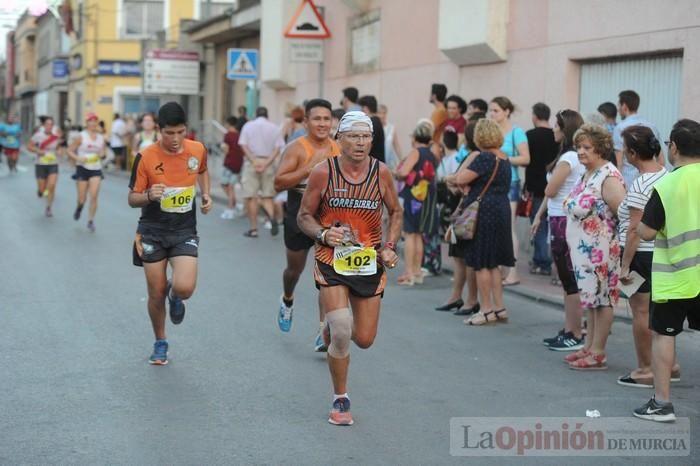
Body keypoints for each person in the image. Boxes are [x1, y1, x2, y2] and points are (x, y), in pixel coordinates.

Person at [297, 110, 402, 426]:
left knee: (365, 339)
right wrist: (324, 234)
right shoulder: (322, 172)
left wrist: (390, 246)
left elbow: (395, 212)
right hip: (331, 260)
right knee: (343, 330)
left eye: (366, 136)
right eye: (353, 136)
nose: (360, 143)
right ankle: (340, 399)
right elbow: (304, 216)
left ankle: (329, 326)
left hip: (368, 263)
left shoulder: (381, 173)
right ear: (338, 139)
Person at [128, 101, 212, 366]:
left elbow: (202, 170)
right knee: (156, 292)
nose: (175, 139)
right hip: (152, 231)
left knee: (184, 287)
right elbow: (132, 198)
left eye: (180, 132)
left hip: (184, 229)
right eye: (169, 133)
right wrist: (148, 195)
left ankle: (176, 298)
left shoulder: (197, 149)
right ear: (159, 130)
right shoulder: (146, 155)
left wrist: (206, 194)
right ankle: (160, 341)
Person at [632, 119, 700, 422]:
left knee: (664, 335)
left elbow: (646, 232)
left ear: (673, 146)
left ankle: (662, 404)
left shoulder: (667, 185)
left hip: (676, 277)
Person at [273, 99, 340, 349]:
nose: (322, 123)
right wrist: (308, 170)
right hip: (299, 217)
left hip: (329, 219)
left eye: (326, 119)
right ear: (306, 122)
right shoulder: (296, 149)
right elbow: (278, 183)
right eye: (317, 119)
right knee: (294, 271)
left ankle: (324, 330)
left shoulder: (338, 148)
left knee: (326, 275)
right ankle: (287, 298)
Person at [563, 123, 626, 370]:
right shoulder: (587, 173)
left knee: (604, 300)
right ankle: (589, 345)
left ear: (600, 148)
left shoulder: (608, 176)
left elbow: (623, 212)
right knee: (591, 298)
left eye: (586, 147)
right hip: (585, 253)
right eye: (578, 146)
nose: (581, 152)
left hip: (603, 251)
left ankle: (599, 351)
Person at [617, 125, 675, 387]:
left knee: (640, 312)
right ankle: (668, 364)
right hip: (662, 253)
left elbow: (634, 230)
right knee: (658, 313)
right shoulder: (666, 174)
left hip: (640, 254)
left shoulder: (641, 183)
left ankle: (645, 368)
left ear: (631, 153)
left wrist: (624, 264)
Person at [451, 119, 515, 325]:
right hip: (501, 209)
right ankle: (499, 307)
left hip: (483, 212)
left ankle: (485, 310)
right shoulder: (504, 158)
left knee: (481, 263)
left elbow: (460, 179)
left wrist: (452, 179)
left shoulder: (484, 158)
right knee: (493, 263)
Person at [532, 110, 585, 351]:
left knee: (569, 277)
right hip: (558, 217)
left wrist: (543, 207)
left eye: (557, 126)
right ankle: (569, 329)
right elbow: (549, 194)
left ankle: (575, 332)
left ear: (565, 130)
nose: (553, 130)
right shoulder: (568, 157)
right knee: (565, 278)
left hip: (564, 220)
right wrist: (539, 214)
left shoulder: (570, 158)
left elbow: (551, 190)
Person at [489, 96, 531, 286]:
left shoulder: (516, 132)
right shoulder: (492, 131)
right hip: (493, 182)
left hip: (510, 182)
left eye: (496, 110)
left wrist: (504, 158)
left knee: (509, 226)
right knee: (496, 226)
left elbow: (525, 158)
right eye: (491, 110)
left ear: (506, 111)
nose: (492, 114)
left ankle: (513, 272)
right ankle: (498, 268)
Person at [441, 123, 480, 316]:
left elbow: (455, 179)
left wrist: (451, 179)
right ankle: (457, 296)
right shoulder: (472, 154)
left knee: (465, 257)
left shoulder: (474, 155)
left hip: (465, 208)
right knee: (459, 257)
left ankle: (470, 299)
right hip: (462, 205)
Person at [394, 119, 438, 286]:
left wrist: (396, 173)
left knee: (410, 234)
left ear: (415, 138)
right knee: (419, 235)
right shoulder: (431, 154)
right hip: (427, 196)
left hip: (413, 196)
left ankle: (409, 273)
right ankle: (418, 272)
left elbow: (404, 173)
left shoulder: (415, 152)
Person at [239, 107, 284, 238]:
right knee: (267, 196)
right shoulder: (275, 128)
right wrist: (267, 162)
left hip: (251, 162)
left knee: (251, 197)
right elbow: (278, 147)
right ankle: (271, 218)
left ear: (255, 114)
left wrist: (253, 160)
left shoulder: (248, 126)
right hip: (268, 163)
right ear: (267, 115)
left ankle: (253, 229)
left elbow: (243, 144)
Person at [525, 103, 558, 276]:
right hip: (554, 184)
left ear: (535, 116)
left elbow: (528, 163)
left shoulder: (529, 135)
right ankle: (548, 260)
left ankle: (541, 261)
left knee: (537, 223)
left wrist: (526, 186)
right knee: (552, 226)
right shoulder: (556, 136)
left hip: (536, 186)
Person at [613, 90, 665, 187]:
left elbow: (619, 163)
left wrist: (619, 185)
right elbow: (661, 160)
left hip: (628, 182)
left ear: (624, 106)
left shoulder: (620, 128)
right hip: (651, 181)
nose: (618, 109)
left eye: (619, 106)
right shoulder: (651, 126)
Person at [67, 113, 107, 231]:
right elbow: (69, 151)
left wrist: (102, 155)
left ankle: (91, 220)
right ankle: (79, 207)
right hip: (82, 168)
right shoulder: (81, 136)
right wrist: (78, 158)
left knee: (94, 196)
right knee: (82, 199)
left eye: (95, 121)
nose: (93, 123)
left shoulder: (101, 137)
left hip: (96, 168)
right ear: (87, 123)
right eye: (91, 121)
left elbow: (103, 153)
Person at [27, 116, 61, 217]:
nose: (49, 126)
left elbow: (59, 148)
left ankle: (49, 207)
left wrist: (59, 152)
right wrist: (38, 151)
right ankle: (40, 191)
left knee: (51, 186)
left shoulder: (56, 136)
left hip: (53, 164)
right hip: (40, 164)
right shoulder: (38, 135)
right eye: (47, 124)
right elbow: (29, 146)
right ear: (44, 125)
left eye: (51, 125)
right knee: (42, 189)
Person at [219, 116, 244, 219]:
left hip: (229, 163)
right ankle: (234, 204)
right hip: (238, 164)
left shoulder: (228, 135)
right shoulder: (240, 135)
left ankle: (231, 208)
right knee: (231, 186)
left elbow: (226, 150)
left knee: (226, 185)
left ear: (229, 123)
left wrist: (222, 148)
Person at [358, 95, 386, 163]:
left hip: (373, 165)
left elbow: (368, 145)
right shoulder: (376, 121)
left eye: (361, 109)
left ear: (365, 108)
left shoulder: (372, 123)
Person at [377, 104, 403, 170]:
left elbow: (396, 145)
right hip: (377, 161)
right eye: (380, 113)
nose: (382, 116)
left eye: (384, 113)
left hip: (389, 162)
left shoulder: (391, 128)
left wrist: (402, 159)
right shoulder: (374, 127)